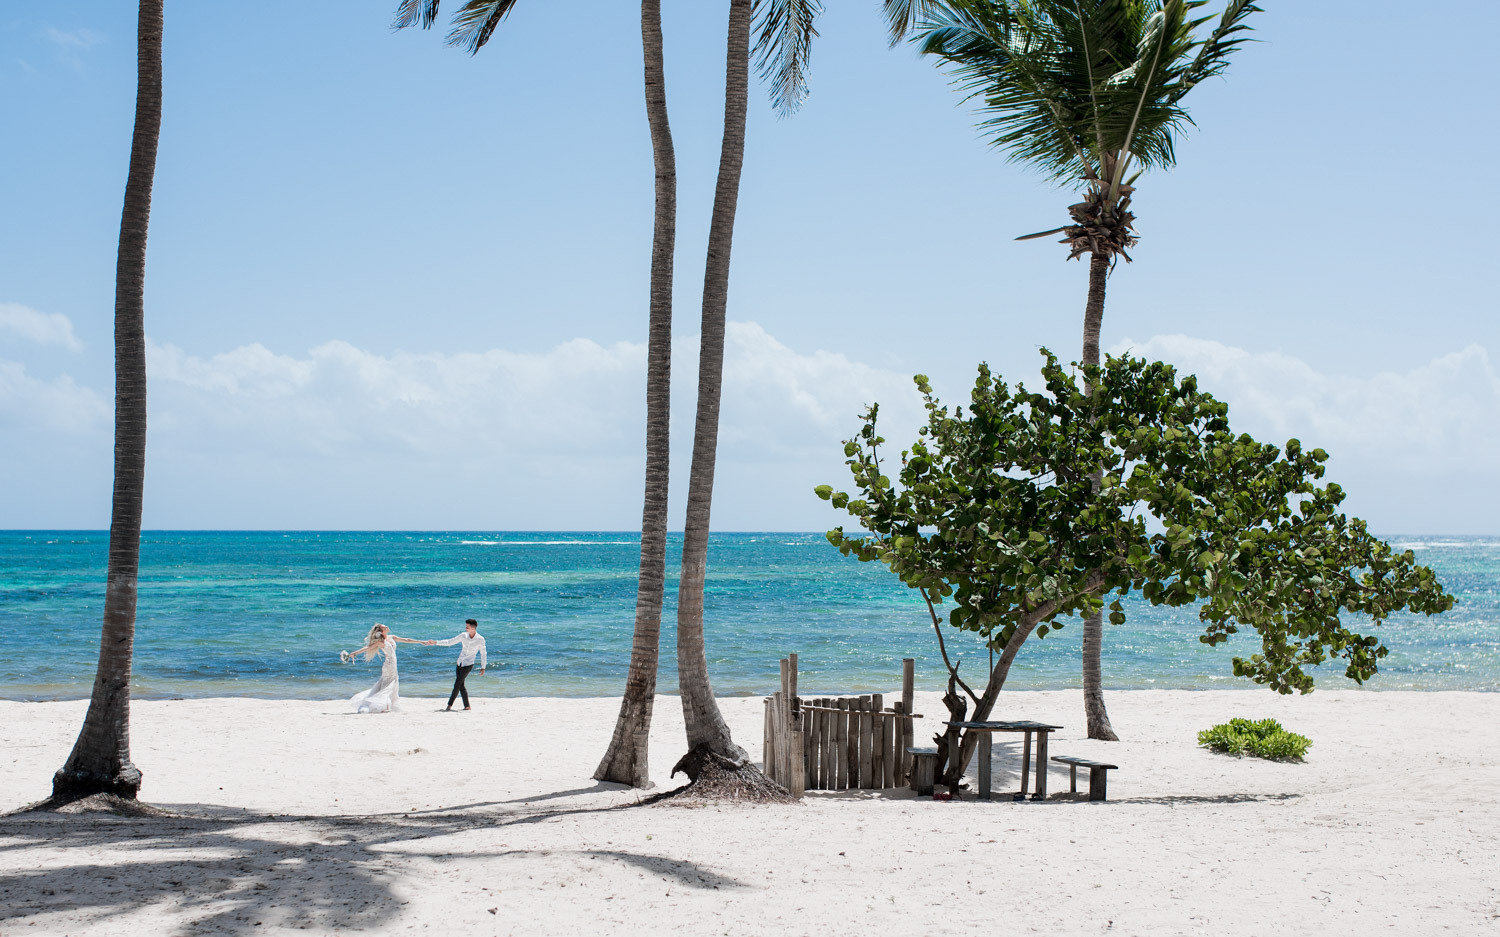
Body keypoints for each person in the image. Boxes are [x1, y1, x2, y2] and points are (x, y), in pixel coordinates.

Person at [342, 623, 426, 714]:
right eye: (384, 627)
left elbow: (406, 640)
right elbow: (368, 648)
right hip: (389, 665)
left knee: (391, 684)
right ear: (381, 632)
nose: (387, 627)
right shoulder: (381, 642)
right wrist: (354, 653)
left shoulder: (391, 637)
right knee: (388, 685)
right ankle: (385, 706)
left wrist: (420, 642)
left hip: (393, 665)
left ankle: (386, 705)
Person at [433, 618, 487, 711]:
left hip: (468, 664)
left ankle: (449, 705)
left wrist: (483, 667)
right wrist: (436, 642)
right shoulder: (463, 635)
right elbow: (450, 642)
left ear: (473, 628)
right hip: (460, 663)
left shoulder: (480, 639)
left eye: (467, 627)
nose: (466, 628)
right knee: (461, 685)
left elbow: (483, 653)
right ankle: (467, 706)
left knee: (457, 684)